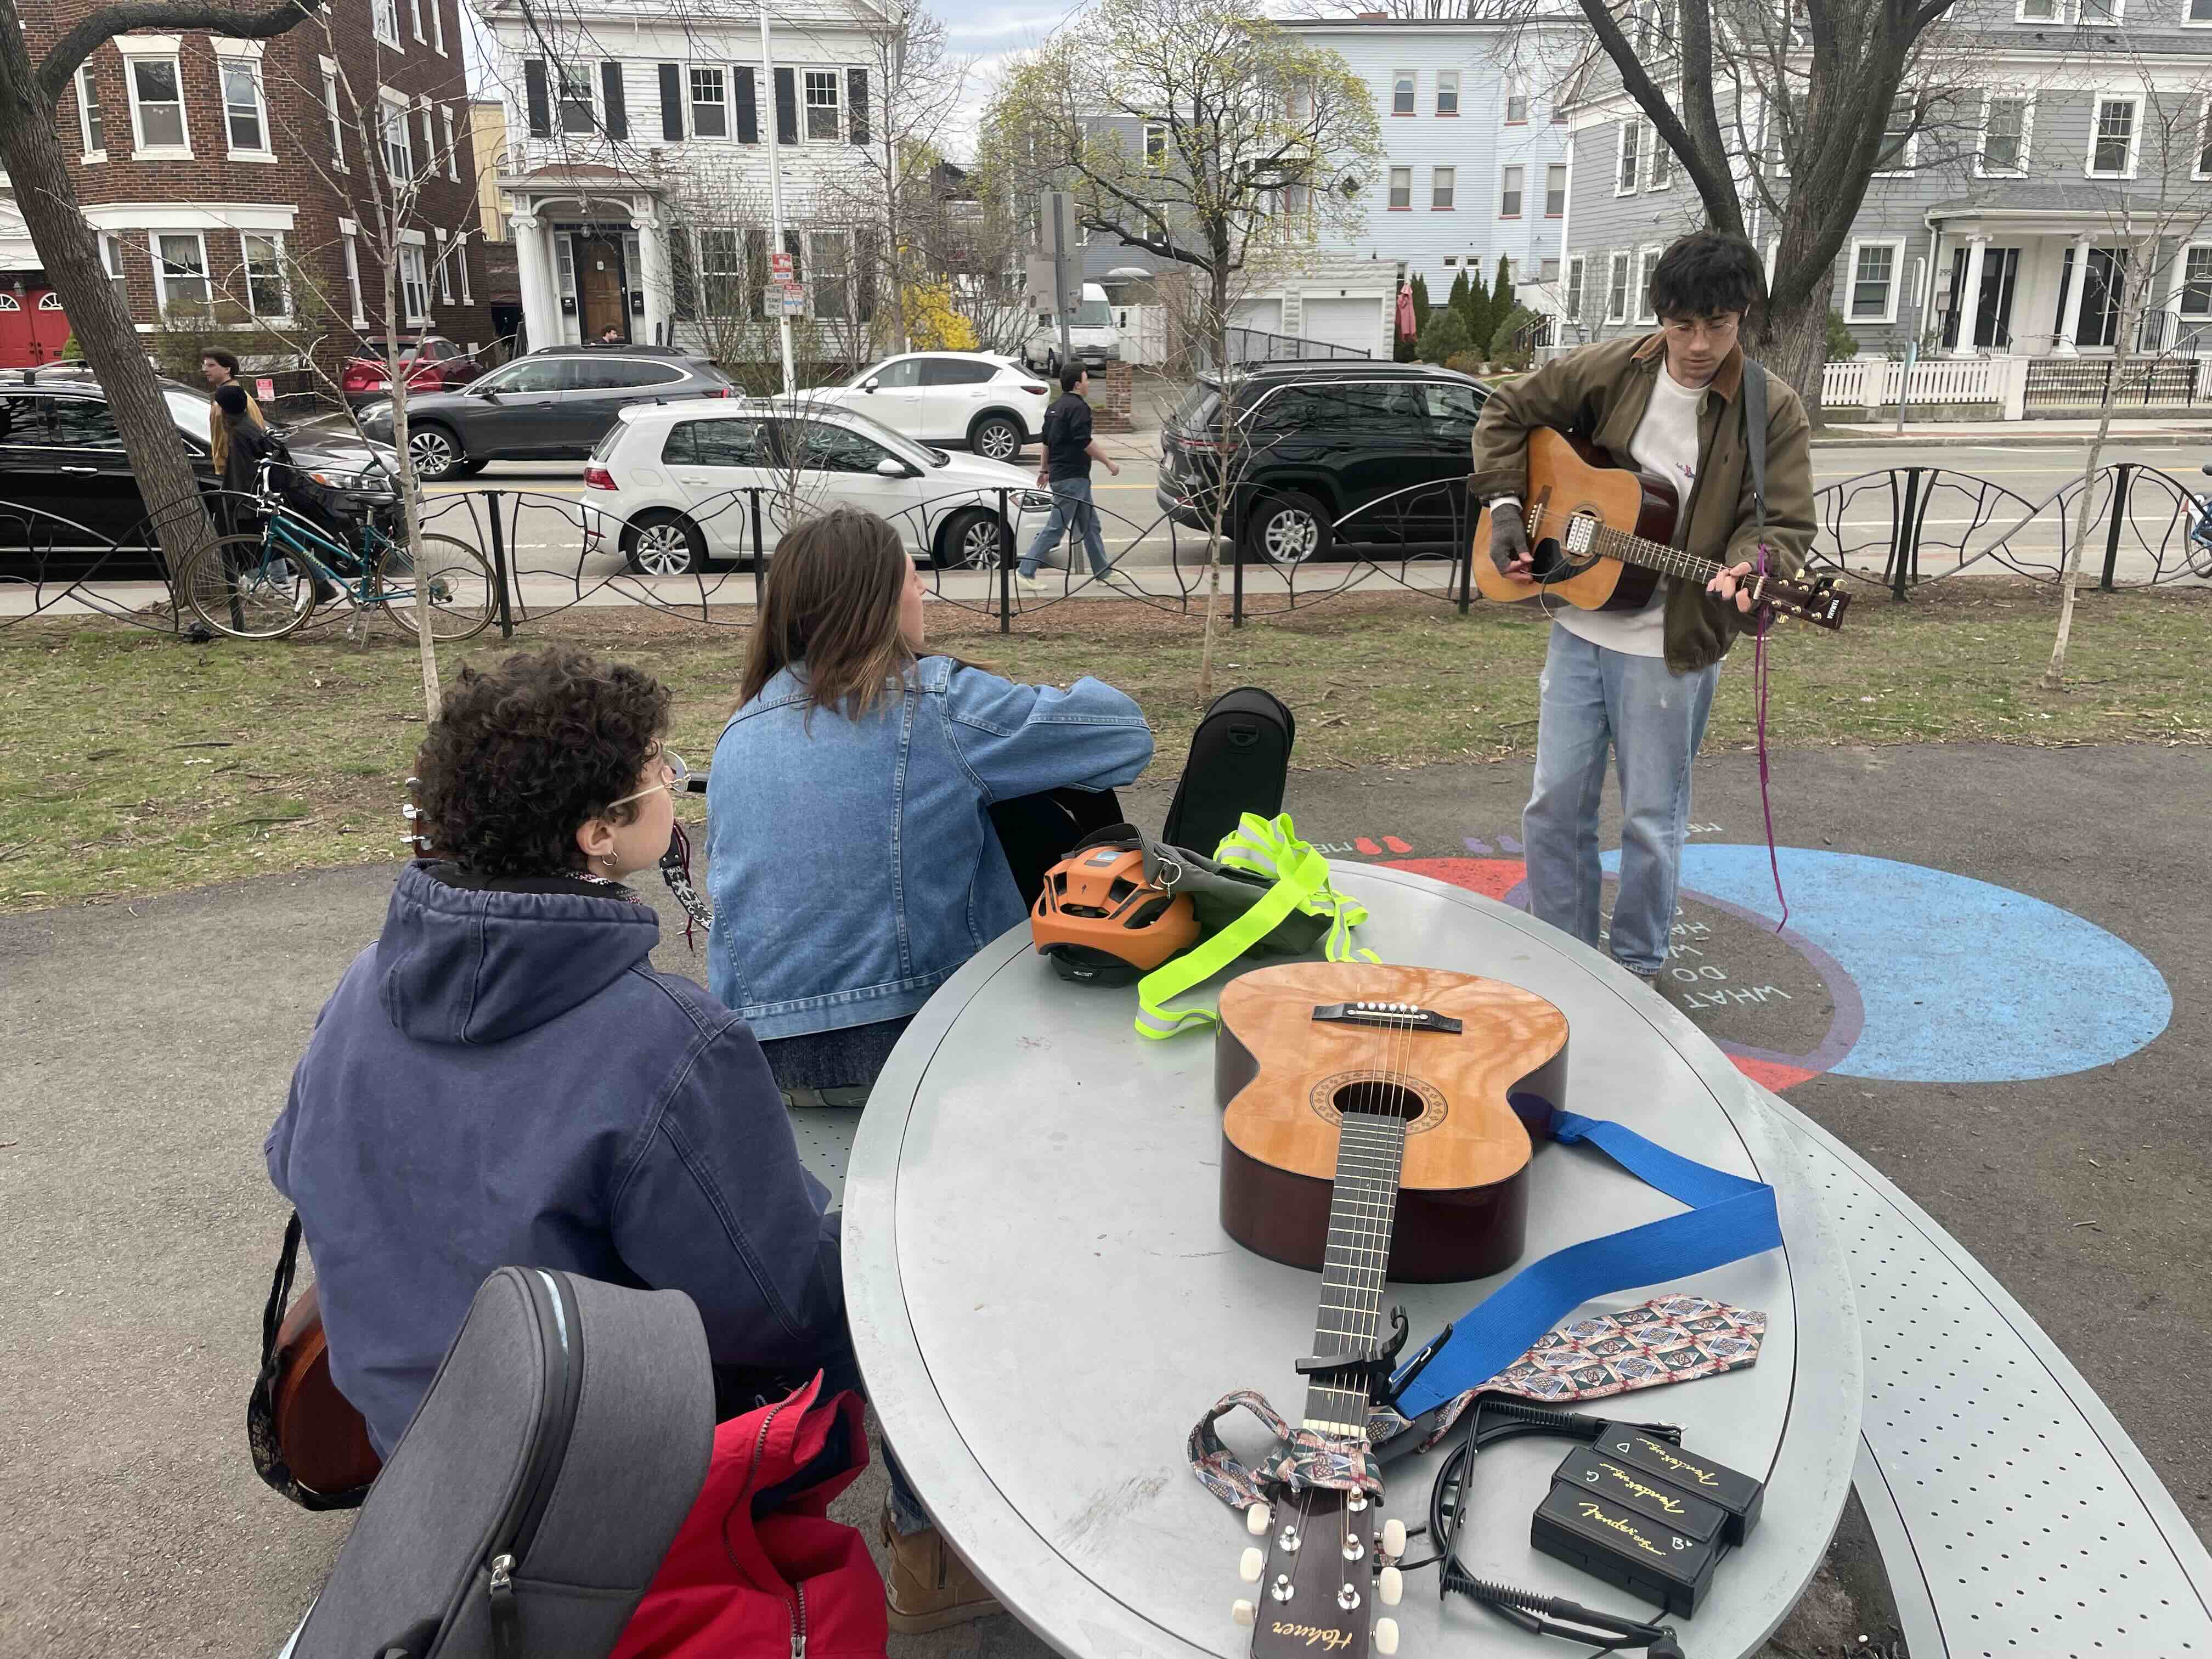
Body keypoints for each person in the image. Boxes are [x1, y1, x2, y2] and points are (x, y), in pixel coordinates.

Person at [705, 508, 1150, 1627]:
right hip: (906, 1042)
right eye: (915, 577)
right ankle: (948, 1541)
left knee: (869, 1282)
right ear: (881, 596)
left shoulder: (741, 730)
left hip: (765, 1061)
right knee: (956, 1294)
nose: (926, 594)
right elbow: (1120, 734)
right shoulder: (937, 703)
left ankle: (868, 1512)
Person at [266, 648, 848, 1460]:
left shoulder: (367, 981)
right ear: (598, 830)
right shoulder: (672, 1041)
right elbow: (779, 1306)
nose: (674, 782)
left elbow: (293, 1163)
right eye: (659, 768)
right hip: (584, 1461)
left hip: (406, 1427)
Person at [1471, 229, 1814, 982]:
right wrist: (1504, 507)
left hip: (1671, 641)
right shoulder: (1615, 369)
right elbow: (1505, 411)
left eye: (1717, 326)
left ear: (1743, 317)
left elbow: (1782, 524)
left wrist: (1754, 566)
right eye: (1682, 324)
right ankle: (1564, 958)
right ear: (1660, 314)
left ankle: (1634, 971)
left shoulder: (1770, 408)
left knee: (1650, 822)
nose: (1697, 345)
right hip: (1580, 622)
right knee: (1554, 805)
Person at [1017, 363, 1122, 589]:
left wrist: (1045, 471)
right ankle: (1025, 570)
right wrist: (1109, 463)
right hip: (1073, 478)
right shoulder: (1079, 408)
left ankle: (1104, 572)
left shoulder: (1054, 408)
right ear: (1077, 384)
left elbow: (1046, 443)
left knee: (1091, 526)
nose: (1089, 383)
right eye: (1086, 379)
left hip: (1063, 476)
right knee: (1056, 528)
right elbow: (1084, 441)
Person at [202, 348, 264, 481]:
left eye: (212, 365)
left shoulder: (226, 402)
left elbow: (221, 439)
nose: (205, 369)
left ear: (227, 369)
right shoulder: (239, 394)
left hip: (237, 470)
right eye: (205, 365)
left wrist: (221, 468)